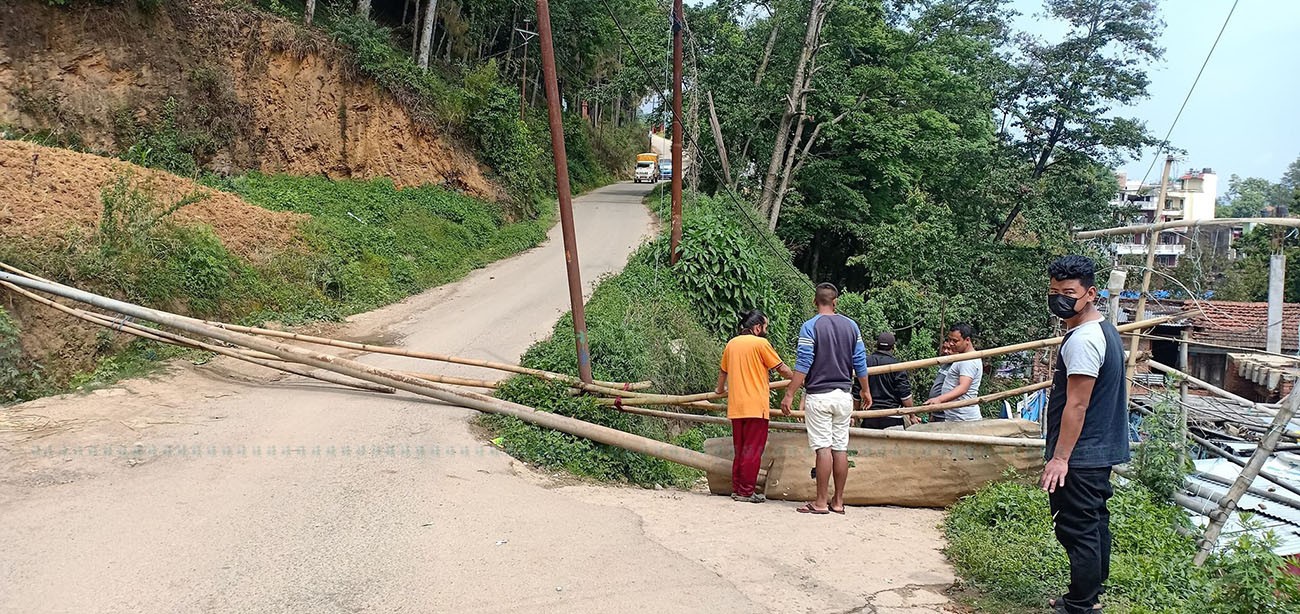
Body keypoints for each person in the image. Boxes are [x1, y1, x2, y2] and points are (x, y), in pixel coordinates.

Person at [1042, 256, 1129, 614]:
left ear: (1090, 293)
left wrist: (1060, 458)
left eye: (1068, 293)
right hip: (1098, 449)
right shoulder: (1104, 330)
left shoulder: (1083, 340)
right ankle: (1089, 594)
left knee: (1077, 529)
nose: (1059, 299)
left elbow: (1076, 405)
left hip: (1081, 454)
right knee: (1093, 525)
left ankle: (1080, 604)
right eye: (1054, 292)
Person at [780, 283, 871, 515]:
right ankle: (838, 502)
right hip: (843, 395)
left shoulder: (810, 327)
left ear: (815, 302)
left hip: (819, 396)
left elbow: (803, 363)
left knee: (823, 448)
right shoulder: (851, 326)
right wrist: (865, 390)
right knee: (840, 448)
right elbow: (860, 361)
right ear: (835, 301)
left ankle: (820, 502)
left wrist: (790, 393)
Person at [716, 310, 794, 504]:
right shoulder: (761, 344)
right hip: (755, 406)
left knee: (740, 449)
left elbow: (722, 372)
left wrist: (719, 390)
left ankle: (737, 488)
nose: (765, 331)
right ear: (757, 327)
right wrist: (798, 378)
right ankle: (746, 491)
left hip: (736, 405)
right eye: (765, 327)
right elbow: (781, 368)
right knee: (752, 451)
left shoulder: (731, 343)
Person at [922, 323, 983, 421]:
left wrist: (939, 399)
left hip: (963, 419)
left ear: (967, 340)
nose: (950, 343)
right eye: (949, 339)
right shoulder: (962, 357)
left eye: (955, 341)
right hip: (955, 417)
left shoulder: (968, 360)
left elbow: (963, 388)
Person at [853, 332, 913, 429]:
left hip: (870, 417)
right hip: (893, 417)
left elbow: (857, 393)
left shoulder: (865, 363)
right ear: (893, 347)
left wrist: (856, 414)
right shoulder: (897, 365)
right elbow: (905, 395)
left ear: (876, 345)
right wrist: (912, 416)